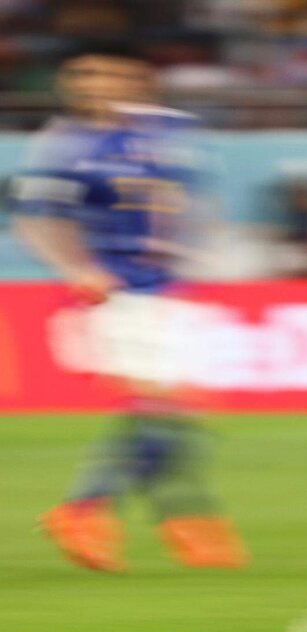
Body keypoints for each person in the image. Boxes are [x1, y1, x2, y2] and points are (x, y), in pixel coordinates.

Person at [11, 42, 248, 572]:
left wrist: (199, 242)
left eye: (104, 73)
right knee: (162, 406)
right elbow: (36, 220)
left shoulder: (172, 132)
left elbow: (194, 200)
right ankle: (92, 510)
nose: (91, 83)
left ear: (137, 79)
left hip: (169, 290)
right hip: (115, 293)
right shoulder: (65, 145)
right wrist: (77, 269)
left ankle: (183, 520)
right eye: (81, 74)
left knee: (177, 413)